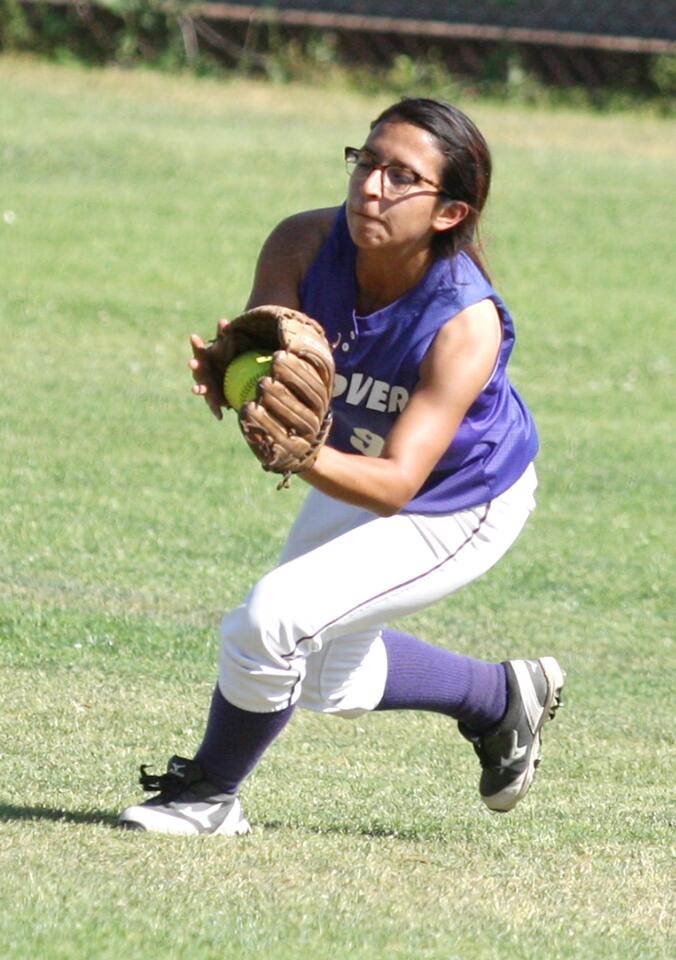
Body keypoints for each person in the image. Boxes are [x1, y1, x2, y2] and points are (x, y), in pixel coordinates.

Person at [119, 97, 565, 835]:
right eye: (367, 161)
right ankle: (497, 696)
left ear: (450, 213)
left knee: (271, 621)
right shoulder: (302, 242)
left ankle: (207, 797)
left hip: (457, 498)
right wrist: (239, 370)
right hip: (356, 457)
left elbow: (397, 484)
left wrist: (301, 451)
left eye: (401, 177)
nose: (371, 187)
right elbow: (274, 346)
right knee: (326, 676)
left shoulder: (464, 321)